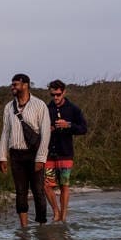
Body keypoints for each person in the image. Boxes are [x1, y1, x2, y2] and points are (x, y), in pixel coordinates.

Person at [0, 73, 52, 226]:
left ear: (25, 85)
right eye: (12, 84)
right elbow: (5, 132)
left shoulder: (40, 105)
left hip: (34, 153)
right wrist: (2, 156)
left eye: (15, 84)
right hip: (16, 154)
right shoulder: (9, 107)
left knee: (38, 191)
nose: (12, 87)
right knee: (20, 191)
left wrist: (41, 158)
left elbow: (45, 133)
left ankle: (42, 225)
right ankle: (24, 228)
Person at [42, 79, 88, 223]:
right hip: (48, 153)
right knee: (46, 185)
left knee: (64, 185)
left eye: (58, 94)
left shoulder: (73, 109)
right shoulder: (45, 109)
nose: (55, 97)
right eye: (53, 95)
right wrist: (47, 130)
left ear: (64, 92)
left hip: (66, 153)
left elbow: (83, 129)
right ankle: (56, 211)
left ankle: (63, 216)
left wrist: (68, 125)